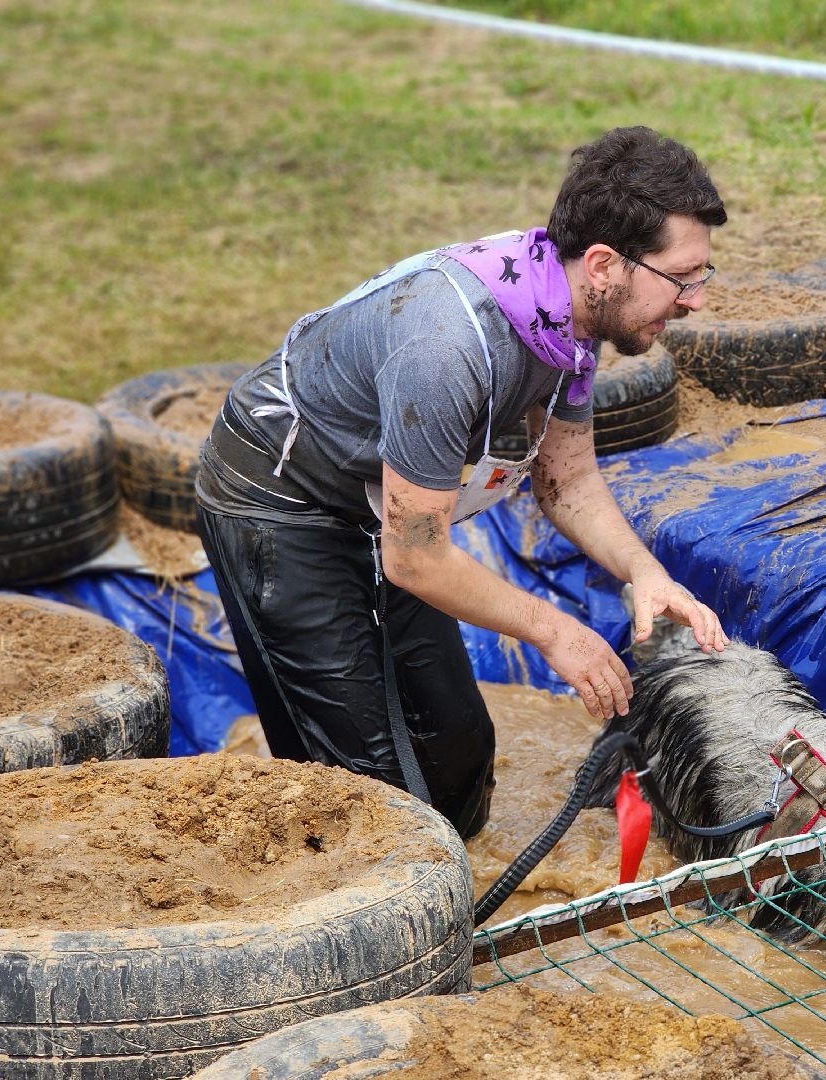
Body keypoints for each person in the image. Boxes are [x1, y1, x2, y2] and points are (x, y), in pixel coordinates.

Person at [196, 126, 730, 840]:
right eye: (683, 278)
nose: (697, 300)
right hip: (278, 497)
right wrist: (555, 631)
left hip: (383, 503)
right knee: (365, 799)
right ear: (605, 264)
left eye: (703, 274)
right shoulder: (447, 346)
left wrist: (645, 571)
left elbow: (567, 480)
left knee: (458, 761)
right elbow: (416, 559)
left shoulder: (568, 318)